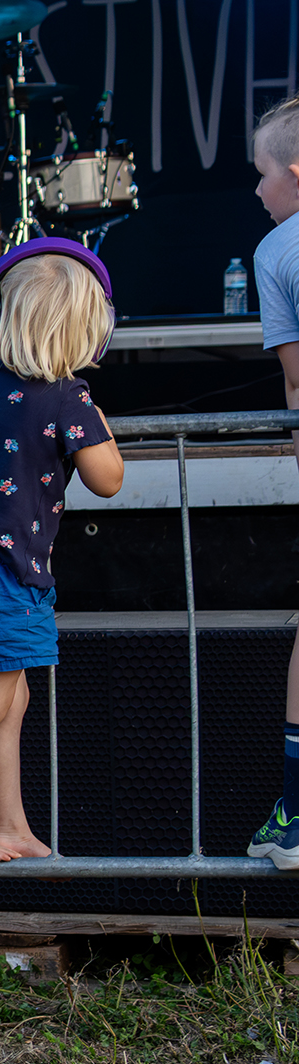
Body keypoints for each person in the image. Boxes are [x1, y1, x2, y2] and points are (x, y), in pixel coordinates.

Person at [0, 239, 123, 863]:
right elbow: (108, 479)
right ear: (88, 333)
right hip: (3, 575)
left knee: (11, 699)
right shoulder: (68, 397)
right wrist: (95, 422)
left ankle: (10, 826)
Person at [245, 95, 299, 869]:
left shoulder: (277, 249)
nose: (257, 191)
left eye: (261, 174)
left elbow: (296, 383)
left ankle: (294, 816)